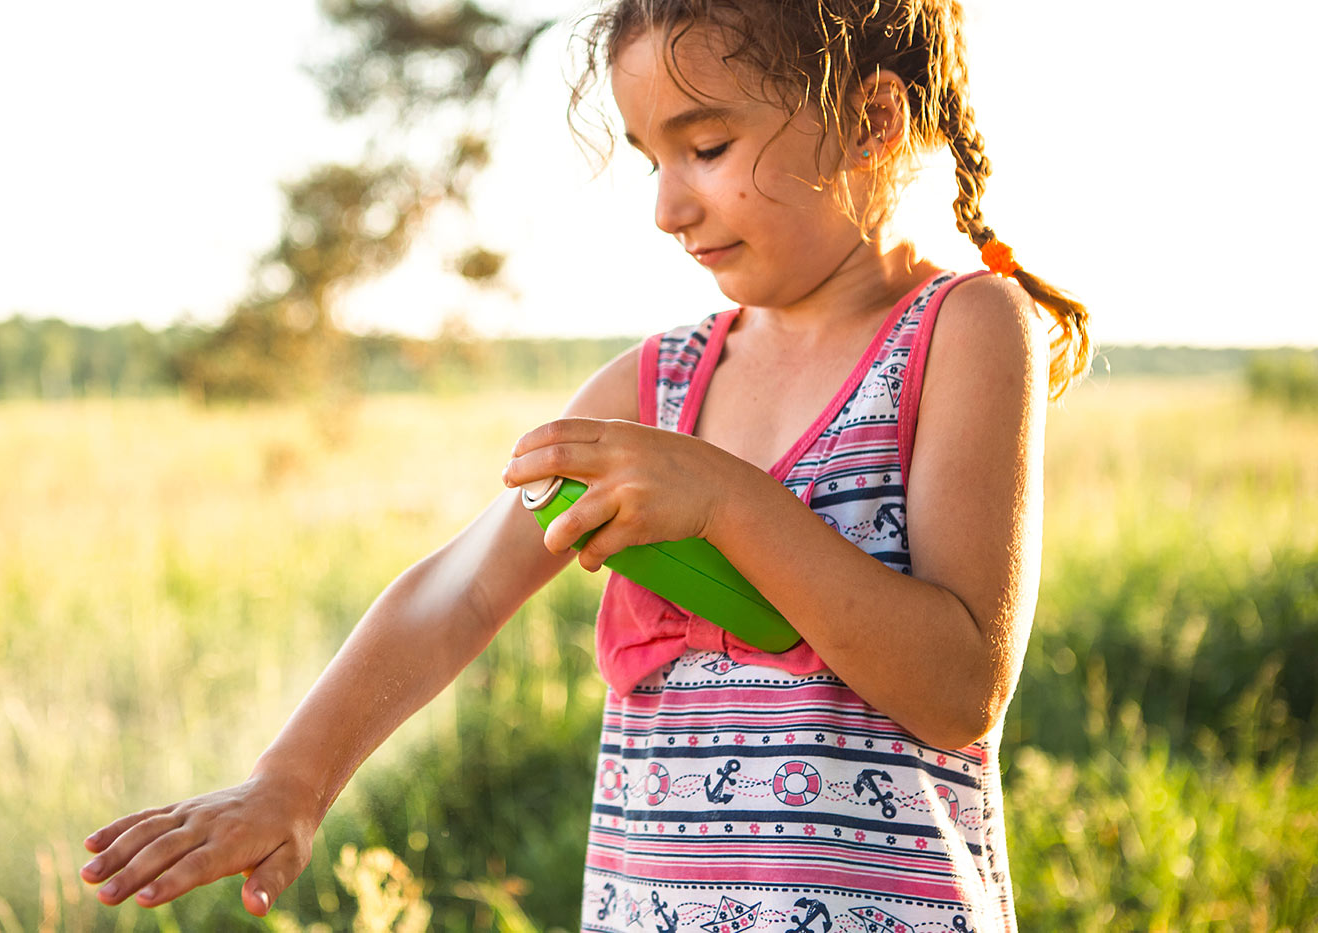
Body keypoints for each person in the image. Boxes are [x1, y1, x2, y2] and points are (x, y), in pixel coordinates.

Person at [81, 1, 1090, 929]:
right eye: (652, 158)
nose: (665, 207)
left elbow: (959, 688)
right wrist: (291, 781)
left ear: (869, 120)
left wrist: (726, 504)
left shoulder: (959, 331)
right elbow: (457, 591)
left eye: (704, 147)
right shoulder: (650, 388)